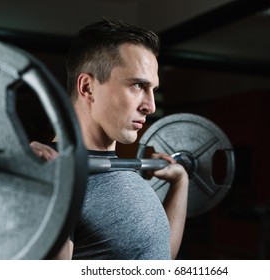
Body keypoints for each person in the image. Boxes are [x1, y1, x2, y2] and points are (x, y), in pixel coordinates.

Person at [31, 18, 188, 260]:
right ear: (87, 87)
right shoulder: (51, 176)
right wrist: (52, 189)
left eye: (152, 90)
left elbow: (158, 255)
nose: (150, 106)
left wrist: (180, 183)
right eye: (137, 85)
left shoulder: (123, 170)